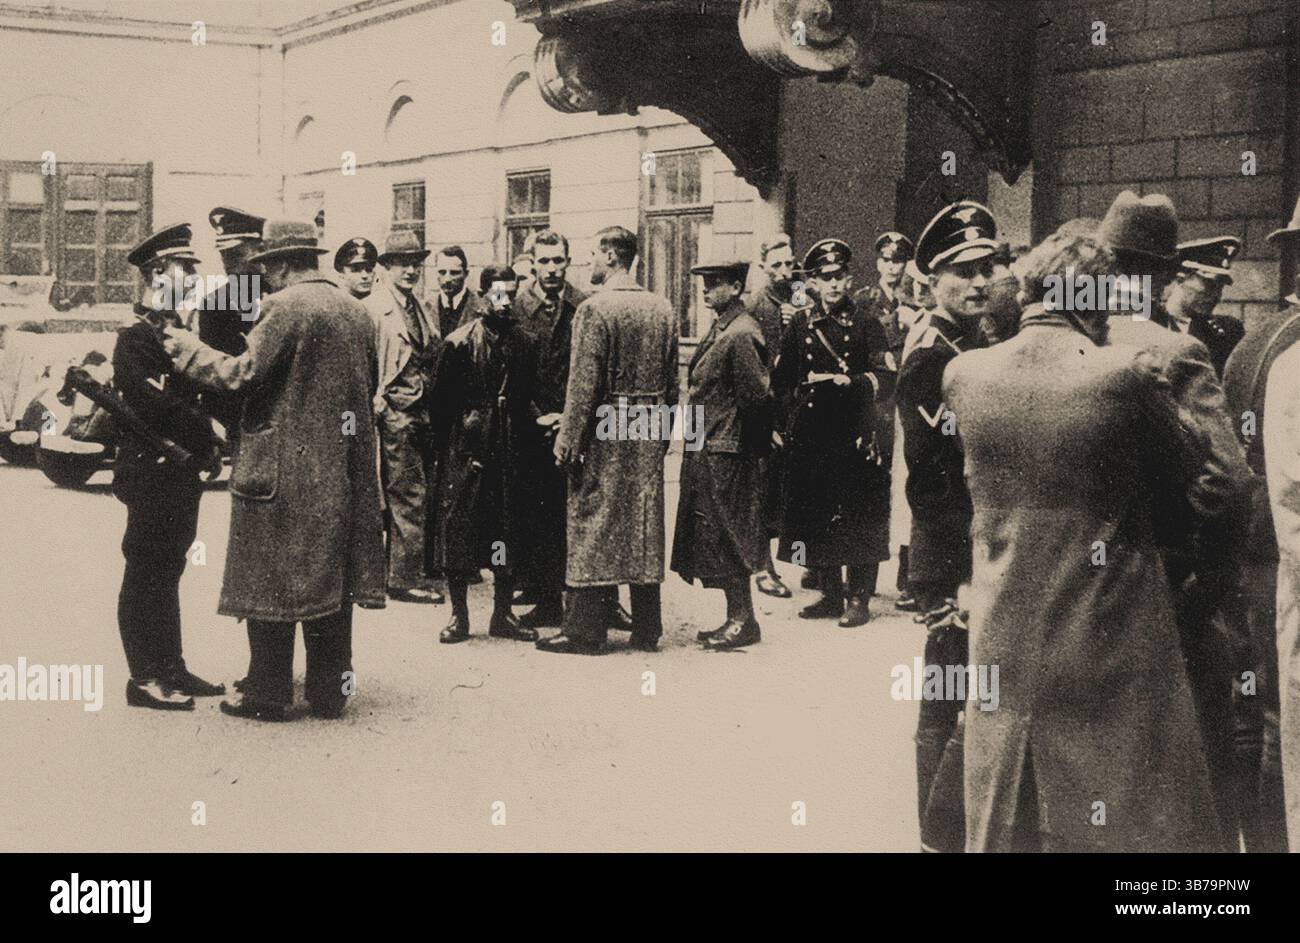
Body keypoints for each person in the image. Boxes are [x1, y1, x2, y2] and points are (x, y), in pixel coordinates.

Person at [946, 222, 1222, 852]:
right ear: (1096, 300)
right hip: (1107, 628)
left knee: (1008, 813)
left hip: (1003, 633)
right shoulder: (1122, 375)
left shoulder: (964, 374)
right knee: (1124, 817)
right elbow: (1193, 469)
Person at [161, 219, 386, 722]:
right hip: (342, 469)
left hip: (281, 471)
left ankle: (268, 692)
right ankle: (330, 692)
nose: (265, 278)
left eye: (267, 268)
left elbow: (241, 376)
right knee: (331, 580)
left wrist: (183, 347)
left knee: (270, 580)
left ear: (281, 264)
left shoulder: (284, 308)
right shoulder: (357, 312)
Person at [1096, 191, 1250, 849]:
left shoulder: (1066, 341)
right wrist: (1203, 589)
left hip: (1092, 599)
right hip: (1171, 589)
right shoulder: (1174, 349)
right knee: (1202, 766)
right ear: (1163, 271)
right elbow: (1228, 480)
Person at [894, 202, 996, 848]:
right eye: (963, 271)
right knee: (947, 688)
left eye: (987, 266)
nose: (980, 281)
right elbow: (932, 479)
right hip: (951, 549)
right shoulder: (932, 353)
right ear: (934, 281)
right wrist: (960, 572)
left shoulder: (971, 339)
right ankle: (937, 836)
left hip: (972, 545)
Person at [536, 225, 678, 655]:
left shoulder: (594, 310)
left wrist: (567, 441)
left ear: (612, 257)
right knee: (642, 520)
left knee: (592, 518)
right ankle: (647, 628)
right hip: (647, 424)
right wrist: (660, 434)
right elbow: (673, 385)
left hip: (605, 426)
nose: (589, 263)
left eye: (594, 254)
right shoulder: (663, 308)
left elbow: (583, 387)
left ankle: (585, 632)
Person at [113, 223, 225, 711]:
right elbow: (156, 406)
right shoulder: (136, 339)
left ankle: (171, 666)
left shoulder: (180, 332)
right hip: (151, 468)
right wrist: (208, 432)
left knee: (170, 567)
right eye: (186, 268)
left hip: (180, 471)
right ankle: (143, 678)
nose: (193, 276)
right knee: (146, 569)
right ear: (158, 273)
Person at [1221, 198, 1300, 852]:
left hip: (1248, 546)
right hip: (1285, 554)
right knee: (1282, 719)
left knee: (1256, 712)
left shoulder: (1253, 340)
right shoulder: (1295, 349)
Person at [772, 238, 892, 627]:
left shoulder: (867, 323)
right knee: (818, 511)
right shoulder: (801, 324)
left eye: (841, 276)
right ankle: (829, 592)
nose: (835, 285)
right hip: (813, 432)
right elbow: (782, 378)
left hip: (855, 431)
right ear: (814, 283)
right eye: (826, 278)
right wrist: (788, 418)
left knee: (858, 511)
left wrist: (851, 382)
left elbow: (887, 378)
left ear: (851, 278)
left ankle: (859, 596)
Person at [429, 265, 539, 644]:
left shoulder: (525, 342)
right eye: (497, 294)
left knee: (505, 532)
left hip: (509, 452)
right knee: (460, 534)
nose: (505, 302)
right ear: (483, 295)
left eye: (511, 293)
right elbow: (440, 408)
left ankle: (502, 614)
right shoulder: (458, 343)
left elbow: (528, 398)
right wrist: (458, 445)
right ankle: (459, 617)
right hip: (467, 453)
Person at [673, 258, 771, 650]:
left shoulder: (742, 332)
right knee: (715, 534)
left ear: (735, 287)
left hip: (728, 452)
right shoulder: (722, 326)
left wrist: (750, 454)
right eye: (705, 282)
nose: (705, 289)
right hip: (710, 447)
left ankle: (743, 619)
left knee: (731, 534)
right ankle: (735, 616)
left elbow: (757, 399)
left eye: (714, 283)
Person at [510, 229, 588, 628]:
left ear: (568, 262)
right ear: (533, 264)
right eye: (545, 261)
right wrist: (536, 414)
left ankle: (585, 598)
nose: (553, 269)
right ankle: (545, 597)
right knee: (536, 513)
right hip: (529, 424)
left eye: (559, 260)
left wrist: (567, 417)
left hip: (571, 423)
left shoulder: (583, 305)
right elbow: (510, 369)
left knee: (573, 512)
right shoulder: (517, 305)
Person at [367, 231, 443, 605]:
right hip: (394, 413)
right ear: (386, 267)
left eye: (416, 262)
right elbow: (369, 365)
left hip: (421, 412)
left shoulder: (420, 307)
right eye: (402, 263)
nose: (411, 270)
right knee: (405, 495)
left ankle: (404, 569)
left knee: (414, 493)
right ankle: (403, 578)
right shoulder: (375, 310)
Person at [855, 231, 916, 608]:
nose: (893, 267)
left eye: (899, 260)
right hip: (879, 402)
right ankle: (866, 576)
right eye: (887, 260)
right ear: (877, 262)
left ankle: (908, 575)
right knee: (874, 484)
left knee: (908, 485)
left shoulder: (917, 302)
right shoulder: (863, 300)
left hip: (906, 401)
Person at [746, 234, 806, 600]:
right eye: (778, 264)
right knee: (763, 488)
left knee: (790, 486)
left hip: (795, 407)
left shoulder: (798, 297)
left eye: (790, 264)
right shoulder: (755, 305)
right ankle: (761, 567)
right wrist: (763, 422)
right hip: (767, 407)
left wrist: (800, 318)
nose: (785, 271)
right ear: (763, 265)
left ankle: (809, 565)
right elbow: (755, 367)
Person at [198, 206, 265, 444]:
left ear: (260, 249)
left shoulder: (283, 295)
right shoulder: (215, 304)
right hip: (240, 419)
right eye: (224, 256)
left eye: (236, 255)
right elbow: (213, 374)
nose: (228, 264)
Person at [1167, 235, 1245, 377]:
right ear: (1180, 277)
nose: (1217, 296)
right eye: (1209, 285)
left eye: (1220, 287)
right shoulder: (1151, 322)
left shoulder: (1228, 334)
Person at [432, 245, 484, 337]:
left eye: (454, 273)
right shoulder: (425, 308)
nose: (447, 279)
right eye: (442, 272)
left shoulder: (481, 307)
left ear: (466, 274)